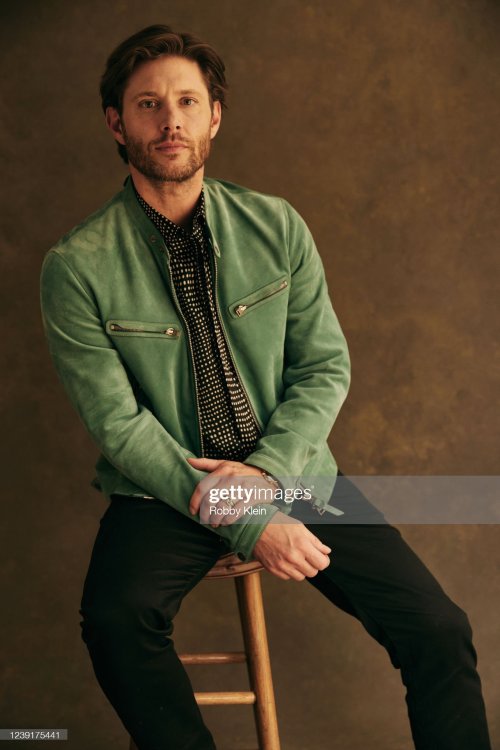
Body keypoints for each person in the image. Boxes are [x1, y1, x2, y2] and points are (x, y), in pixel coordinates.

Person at [40, 24, 491, 750]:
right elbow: (118, 425)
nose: (171, 120)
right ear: (115, 123)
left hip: (294, 470)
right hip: (165, 486)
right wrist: (251, 517)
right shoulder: (76, 266)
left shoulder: (276, 224)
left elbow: (324, 368)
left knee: (440, 630)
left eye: (188, 101)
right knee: (116, 621)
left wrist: (267, 483)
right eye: (149, 104)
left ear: (215, 116)